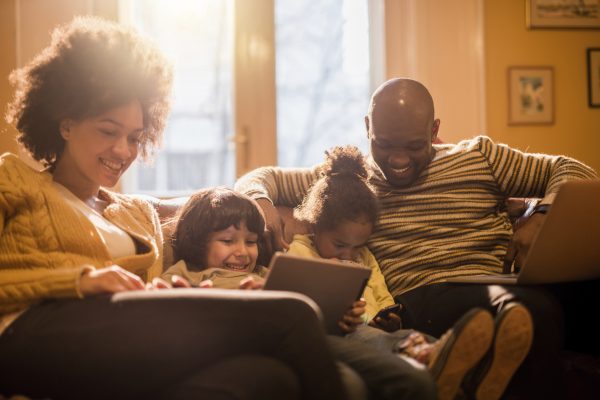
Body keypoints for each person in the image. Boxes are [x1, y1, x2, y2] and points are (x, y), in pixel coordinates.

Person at [0, 16, 348, 400]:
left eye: (134, 138)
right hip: (26, 333)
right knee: (294, 315)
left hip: (118, 339)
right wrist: (78, 282)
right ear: (65, 124)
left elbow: (148, 299)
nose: (123, 151)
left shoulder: (135, 213)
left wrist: (195, 295)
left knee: (267, 378)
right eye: (107, 131)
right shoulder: (14, 181)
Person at [234, 77, 599, 399]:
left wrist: (542, 214)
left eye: (412, 146)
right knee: (536, 310)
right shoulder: (352, 178)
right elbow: (261, 177)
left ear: (434, 128)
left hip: (491, 284)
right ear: (367, 128)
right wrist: (260, 202)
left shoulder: (479, 156)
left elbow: (574, 168)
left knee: (535, 310)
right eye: (384, 144)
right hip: (414, 301)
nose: (397, 159)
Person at [163, 185, 500, 400]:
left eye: (251, 241)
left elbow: (315, 315)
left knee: (366, 338)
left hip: (315, 333)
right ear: (198, 241)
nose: (243, 251)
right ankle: (436, 363)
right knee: (408, 381)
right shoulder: (189, 273)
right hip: (273, 342)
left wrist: (344, 314)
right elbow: (163, 302)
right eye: (227, 241)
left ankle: (436, 357)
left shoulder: (268, 272)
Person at [288, 144, 533, 400]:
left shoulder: (365, 258)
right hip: (341, 333)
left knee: (414, 336)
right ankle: (449, 365)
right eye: (339, 245)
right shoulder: (301, 252)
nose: (348, 254)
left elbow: (382, 295)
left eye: (358, 246)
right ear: (315, 227)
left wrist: (390, 316)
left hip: (377, 329)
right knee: (376, 339)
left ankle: (467, 368)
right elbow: (295, 305)